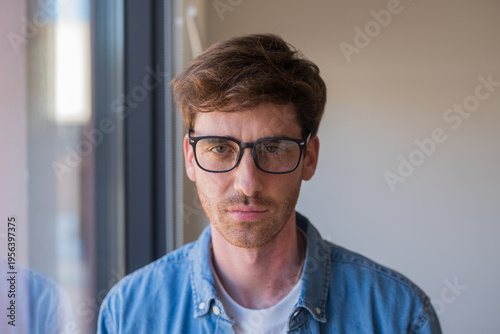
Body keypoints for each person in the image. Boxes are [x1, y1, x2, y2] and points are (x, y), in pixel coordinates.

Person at [97, 33, 442, 333]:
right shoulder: (129, 313)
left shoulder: (399, 315)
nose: (248, 184)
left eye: (273, 148)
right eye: (219, 148)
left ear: (309, 158)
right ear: (190, 157)